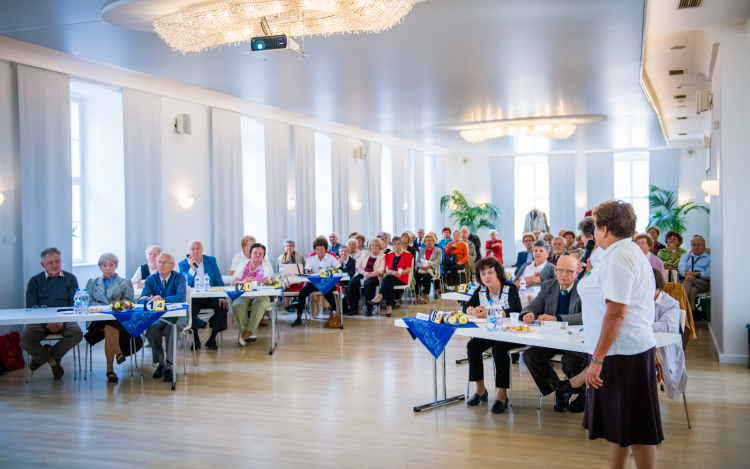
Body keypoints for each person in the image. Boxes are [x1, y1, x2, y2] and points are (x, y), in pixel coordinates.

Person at [571, 200, 663, 467]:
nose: (593, 232)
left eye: (595, 226)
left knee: (635, 426)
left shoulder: (620, 256)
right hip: (621, 350)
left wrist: (597, 360)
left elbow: (616, 312)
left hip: (621, 353)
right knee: (620, 421)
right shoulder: (620, 252)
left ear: (604, 228)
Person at [520, 256, 587, 413]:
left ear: (577, 272)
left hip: (576, 339)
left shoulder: (584, 288)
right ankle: (560, 390)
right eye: (560, 270)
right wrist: (528, 314)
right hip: (551, 338)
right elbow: (533, 307)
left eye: (569, 271)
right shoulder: (548, 285)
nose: (563, 275)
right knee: (530, 356)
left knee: (571, 361)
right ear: (555, 270)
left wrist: (557, 318)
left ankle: (583, 395)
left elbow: (586, 316)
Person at [464, 257, 523, 414]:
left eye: (490, 272)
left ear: (498, 273)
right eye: (483, 274)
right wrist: (473, 311)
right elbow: (467, 306)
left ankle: (502, 395)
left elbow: (517, 309)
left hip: (509, 332)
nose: (486, 276)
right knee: (473, 345)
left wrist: (491, 312)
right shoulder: (481, 289)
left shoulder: (510, 288)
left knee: (499, 349)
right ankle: (480, 390)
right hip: (491, 331)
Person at [21, 247, 82, 380]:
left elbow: (74, 305)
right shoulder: (35, 281)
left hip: (65, 319)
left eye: (57, 261)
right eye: (50, 263)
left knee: (77, 333)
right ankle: (52, 361)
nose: (54, 265)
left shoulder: (71, 279)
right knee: (26, 339)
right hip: (41, 320)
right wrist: (47, 322)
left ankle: (44, 356)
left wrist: (62, 321)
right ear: (43, 265)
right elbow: (31, 308)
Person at [84, 253, 137, 384]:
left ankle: (110, 370)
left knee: (109, 326)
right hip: (97, 319)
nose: (107, 268)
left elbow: (129, 302)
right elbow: (88, 301)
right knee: (107, 322)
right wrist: (107, 307)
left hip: (118, 320)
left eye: (111, 265)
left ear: (116, 266)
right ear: (100, 267)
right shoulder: (92, 283)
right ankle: (118, 354)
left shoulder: (125, 282)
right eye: (104, 265)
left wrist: (119, 304)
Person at [141, 253, 187, 383]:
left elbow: (180, 297)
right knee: (152, 328)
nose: (160, 265)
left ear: (172, 265)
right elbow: (142, 299)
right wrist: (150, 299)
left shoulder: (180, 278)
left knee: (172, 328)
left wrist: (161, 300)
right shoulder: (151, 279)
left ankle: (169, 366)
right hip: (159, 316)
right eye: (159, 262)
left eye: (164, 262)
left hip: (179, 315)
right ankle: (161, 363)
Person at [178, 240, 228, 351]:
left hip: (211, 296)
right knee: (190, 309)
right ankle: (195, 338)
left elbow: (219, 281)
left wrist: (221, 297)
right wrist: (191, 269)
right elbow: (184, 285)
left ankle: (212, 338)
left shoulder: (211, 260)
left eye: (198, 248)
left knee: (223, 307)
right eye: (192, 249)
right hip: (194, 299)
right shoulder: (183, 264)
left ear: (202, 249)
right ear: (188, 251)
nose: (195, 251)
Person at [652, 269, 688, 399]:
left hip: (661, 348)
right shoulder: (637, 300)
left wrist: (638, 326)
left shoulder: (671, 303)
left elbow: (666, 327)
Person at [232, 243, 274, 345]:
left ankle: (245, 335)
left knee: (259, 304)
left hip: (262, 295)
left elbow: (271, 282)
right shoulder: (243, 264)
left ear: (264, 255)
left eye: (260, 253)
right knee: (237, 305)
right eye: (255, 253)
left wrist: (258, 282)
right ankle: (249, 334)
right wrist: (244, 282)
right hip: (244, 294)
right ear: (250, 253)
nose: (257, 255)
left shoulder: (267, 264)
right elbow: (234, 282)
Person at [294, 237, 341, 326]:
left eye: (321, 249)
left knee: (327, 290)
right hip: (314, 283)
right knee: (302, 292)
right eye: (317, 249)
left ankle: (334, 313)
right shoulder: (312, 258)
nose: (319, 251)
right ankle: (299, 317)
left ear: (326, 249)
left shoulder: (330, 257)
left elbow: (338, 269)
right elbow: (307, 270)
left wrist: (333, 270)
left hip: (327, 282)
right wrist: (308, 271)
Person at [371, 237, 413, 317]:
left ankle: (380, 296)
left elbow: (408, 269)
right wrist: (392, 272)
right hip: (391, 277)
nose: (396, 246)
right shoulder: (388, 255)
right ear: (392, 245)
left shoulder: (408, 255)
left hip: (402, 278)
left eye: (399, 244)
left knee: (387, 279)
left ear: (402, 245)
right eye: (394, 244)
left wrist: (399, 273)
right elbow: (387, 270)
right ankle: (389, 310)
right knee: (388, 282)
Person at [347, 238, 385, 317]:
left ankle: (369, 309)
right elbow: (358, 265)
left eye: (376, 245)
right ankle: (353, 309)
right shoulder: (365, 253)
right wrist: (364, 273)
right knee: (352, 283)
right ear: (369, 246)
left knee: (369, 284)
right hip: (363, 273)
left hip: (375, 275)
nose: (374, 247)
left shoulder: (383, 256)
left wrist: (369, 275)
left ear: (379, 246)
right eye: (372, 245)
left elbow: (381, 270)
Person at [678, 235, 711, 308]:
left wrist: (695, 273)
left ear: (704, 246)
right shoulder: (686, 256)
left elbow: (710, 274)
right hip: (687, 280)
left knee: (688, 280)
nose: (696, 247)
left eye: (698, 244)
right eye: (694, 245)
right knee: (692, 290)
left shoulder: (710, 258)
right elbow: (681, 267)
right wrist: (686, 274)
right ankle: (691, 312)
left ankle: (678, 307)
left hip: (703, 283)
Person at [415, 233, 443, 304]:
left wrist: (429, 266)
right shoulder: (422, 250)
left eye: (430, 241)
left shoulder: (438, 250)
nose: (428, 242)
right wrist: (419, 266)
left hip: (432, 270)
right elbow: (417, 260)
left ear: (434, 241)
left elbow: (439, 260)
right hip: (422, 269)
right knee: (415, 276)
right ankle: (417, 294)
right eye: (427, 241)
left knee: (427, 277)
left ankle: (426, 296)